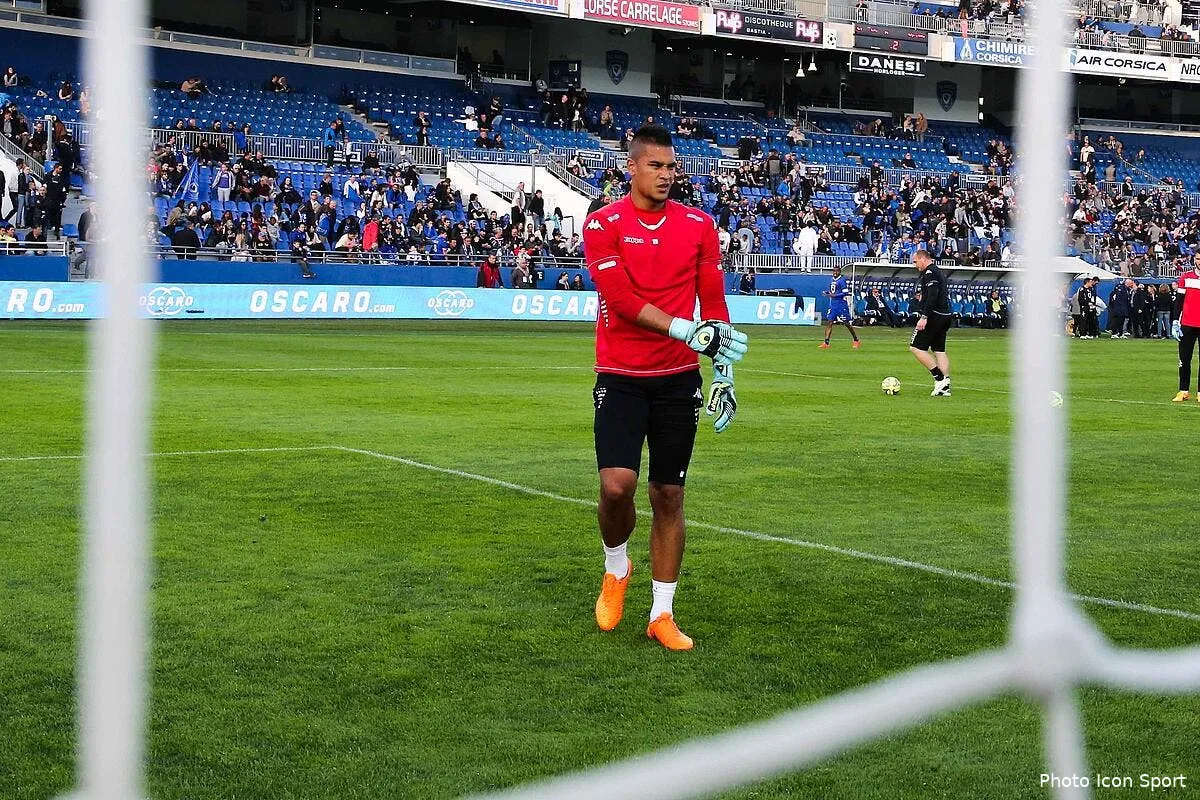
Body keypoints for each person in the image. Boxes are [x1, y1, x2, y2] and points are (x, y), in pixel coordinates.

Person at [582, 124, 749, 652]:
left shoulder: (699, 225)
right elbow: (622, 298)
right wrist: (682, 328)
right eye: (655, 166)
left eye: (672, 167)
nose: (666, 175)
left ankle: (661, 613)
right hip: (621, 375)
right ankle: (616, 568)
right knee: (616, 487)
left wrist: (722, 368)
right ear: (631, 167)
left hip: (679, 378)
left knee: (669, 494)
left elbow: (713, 300)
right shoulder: (602, 223)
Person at [910, 249, 954, 396]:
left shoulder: (929, 273)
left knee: (916, 347)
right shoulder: (938, 271)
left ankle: (939, 378)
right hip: (945, 314)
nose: (915, 265)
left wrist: (924, 316)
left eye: (915, 262)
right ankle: (945, 386)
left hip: (934, 315)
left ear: (923, 259)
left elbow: (933, 295)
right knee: (939, 350)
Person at [1172, 257, 1200, 402]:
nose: (1199, 261)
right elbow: (1179, 301)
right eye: (1198, 259)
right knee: (1184, 359)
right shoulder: (1186, 277)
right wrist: (1175, 321)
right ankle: (1183, 390)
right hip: (1187, 324)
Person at [818, 265, 861, 349]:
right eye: (834, 271)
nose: (835, 273)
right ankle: (826, 342)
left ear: (839, 272)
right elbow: (832, 291)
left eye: (836, 271)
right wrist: (827, 292)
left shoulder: (842, 280)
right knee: (830, 322)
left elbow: (845, 292)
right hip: (833, 304)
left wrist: (834, 295)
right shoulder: (832, 279)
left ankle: (856, 340)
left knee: (847, 323)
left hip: (841, 304)